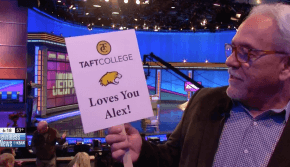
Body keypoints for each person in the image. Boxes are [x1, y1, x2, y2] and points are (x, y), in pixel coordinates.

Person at [106, 3, 290, 167]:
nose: (229, 61)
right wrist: (142, 152)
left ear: (286, 66)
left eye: (245, 52)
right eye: (232, 48)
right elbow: (172, 158)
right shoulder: (204, 101)